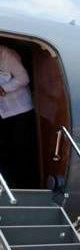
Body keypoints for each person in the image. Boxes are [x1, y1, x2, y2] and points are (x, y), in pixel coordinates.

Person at [0, 44, 36, 189]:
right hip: (2, 112)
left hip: (20, 110)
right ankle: (6, 185)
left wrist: (3, 88)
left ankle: (22, 185)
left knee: (20, 148)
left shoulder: (5, 54)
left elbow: (24, 77)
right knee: (2, 148)